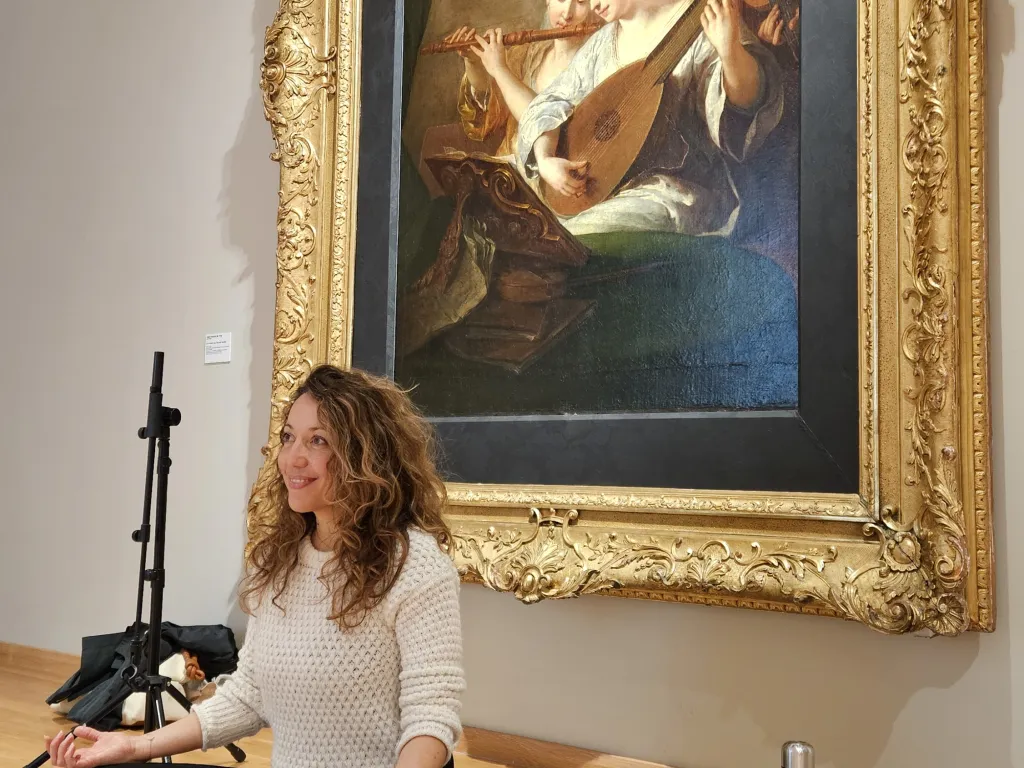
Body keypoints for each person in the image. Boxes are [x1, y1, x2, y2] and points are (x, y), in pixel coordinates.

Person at [43, 365, 465, 768]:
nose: (293, 458)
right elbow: (248, 695)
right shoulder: (278, 561)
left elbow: (431, 720)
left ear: (365, 456)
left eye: (318, 441)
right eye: (288, 437)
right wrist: (136, 747)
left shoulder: (415, 567)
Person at [517, 0, 785, 238]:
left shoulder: (704, 20)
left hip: (671, 191)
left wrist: (730, 52)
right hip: (594, 183)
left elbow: (744, 111)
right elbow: (552, 100)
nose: (594, 4)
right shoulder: (603, 41)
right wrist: (545, 159)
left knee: (581, 234)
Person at [444, 0, 603, 157]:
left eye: (581, 2)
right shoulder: (526, 55)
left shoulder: (596, 68)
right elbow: (491, 106)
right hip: (508, 168)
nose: (567, 13)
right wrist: (473, 61)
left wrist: (499, 69)